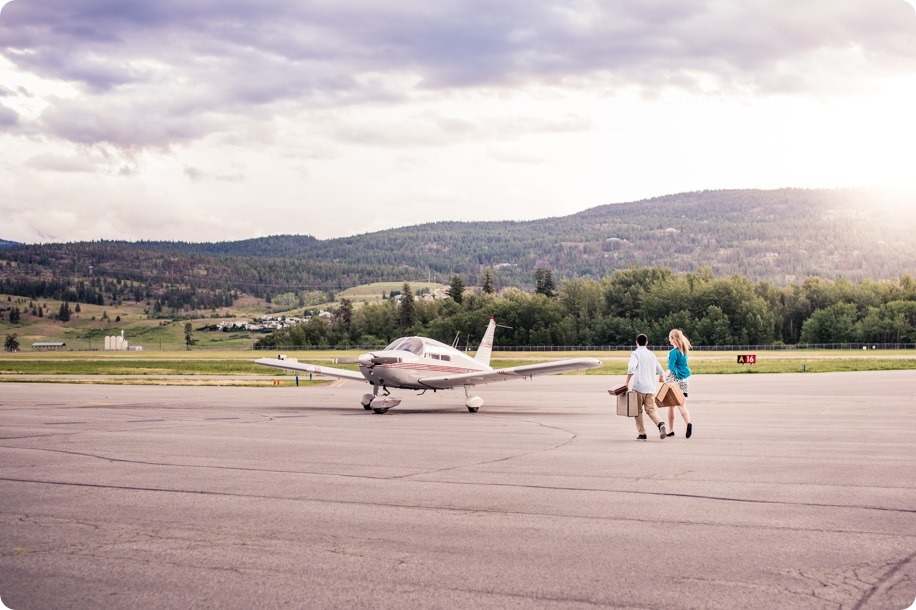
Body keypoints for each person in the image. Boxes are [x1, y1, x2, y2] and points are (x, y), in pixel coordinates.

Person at [625, 333, 666, 441]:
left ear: (636, 342)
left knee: (637, 411)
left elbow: (631, 368)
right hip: (651, 388)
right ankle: (660, 424)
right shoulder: (652, 355)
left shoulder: (635, 354)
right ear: (647, 342)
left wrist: (627, 382)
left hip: (639, 387)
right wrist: (661, 377)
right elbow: (661, 370)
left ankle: (642, 433)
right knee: (651, 410)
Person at [665, 329, 693, 438]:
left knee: (671, 406)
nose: (669, 339)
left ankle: (671, 430)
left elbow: (670, 368)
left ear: (673, 339)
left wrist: (663, 376)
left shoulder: (673, 352)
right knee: (682, 404)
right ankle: (688, 423)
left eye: (669, 338)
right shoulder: (684, 350)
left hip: (674, 381)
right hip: (685, 380)